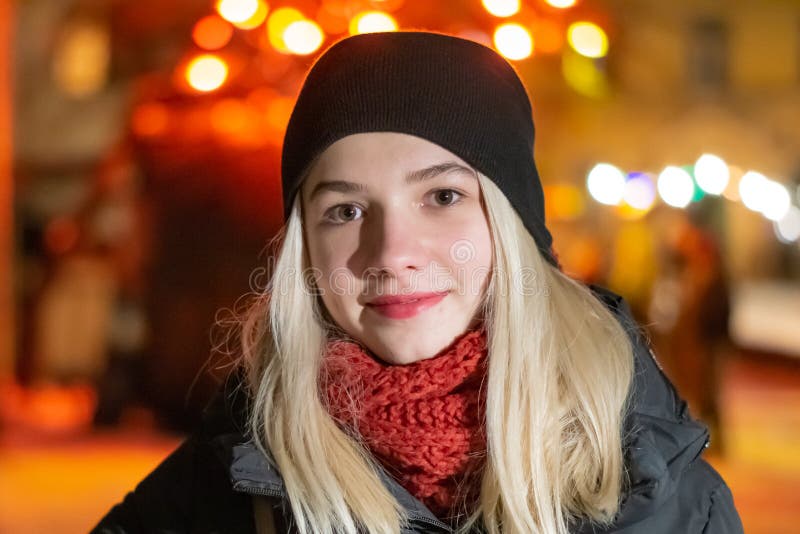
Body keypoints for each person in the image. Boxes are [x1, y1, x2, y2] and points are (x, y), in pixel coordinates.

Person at [93, 31, 743, 534]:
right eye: (345, 211)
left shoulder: (663, 492)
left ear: (511, 225)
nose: (393, 252)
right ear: (304, 250)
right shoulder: (225, 485)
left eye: (441, 195)